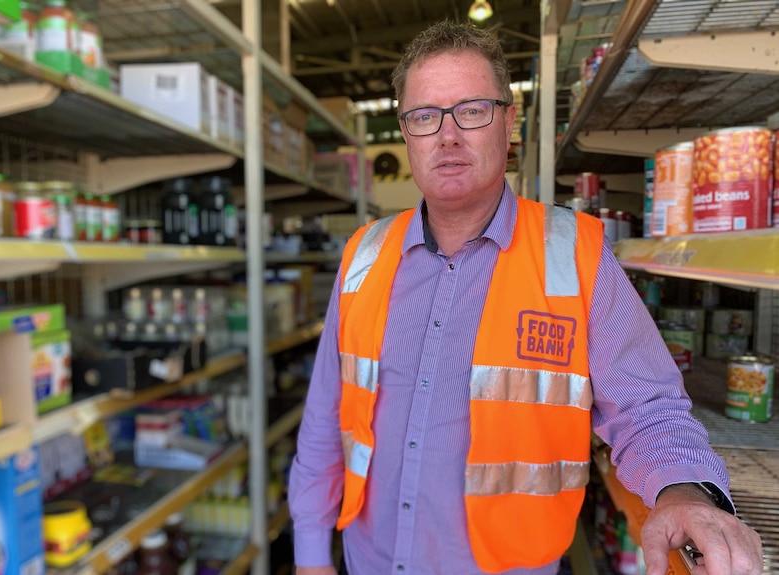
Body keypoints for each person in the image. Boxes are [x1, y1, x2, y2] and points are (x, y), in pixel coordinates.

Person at [288, 20, 763, 575]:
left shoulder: (576, 254)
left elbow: (647, 408)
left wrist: (684, 493)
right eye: (424, 116)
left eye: (472, 109)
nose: (447, 135)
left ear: (508, 122)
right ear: (405, 132)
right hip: (368, 562)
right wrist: (310, 552)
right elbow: (325, 419)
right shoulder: (362, 255)